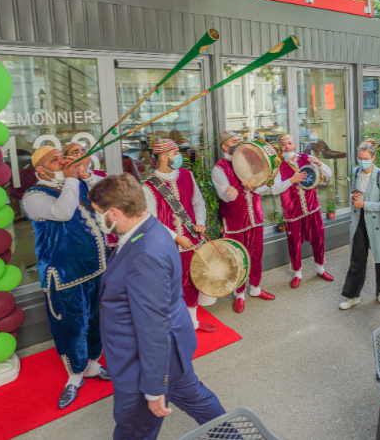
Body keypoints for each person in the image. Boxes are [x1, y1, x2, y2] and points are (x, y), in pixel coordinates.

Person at [88, 174, 226, 440]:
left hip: (143, 360)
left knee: (134, 428)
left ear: (115, 213)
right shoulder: (150, 229)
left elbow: (153, 326)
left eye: (98, 214)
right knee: (194, 396)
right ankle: (232, 436)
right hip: (169, 350)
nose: (98, 220)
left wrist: (153, 388)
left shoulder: (145, 254)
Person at [21, 146, 111, 409]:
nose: (61, 161)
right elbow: (63, 212)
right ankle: (75, 376)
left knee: (95, 320)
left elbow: (104, 201)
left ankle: (93, 365)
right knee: (71, 327)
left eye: (62, 156)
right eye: (54, 159)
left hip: (94, 268)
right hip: (64, 276)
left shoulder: (73, 184)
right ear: (40, 169)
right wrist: (72, 178)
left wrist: (83, 173)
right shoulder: (33, 195)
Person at [142, 139, 216, 333]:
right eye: (176, 153)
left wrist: (200, 222)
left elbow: (198, 202)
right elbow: (151, 220)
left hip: (192, 240)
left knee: (193, 280)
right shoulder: (148, 186)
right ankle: (172, 326)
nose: (179, 156)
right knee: (170, 285)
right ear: (164, 157)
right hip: (168, 246)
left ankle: (193, 322)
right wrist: (175, 236)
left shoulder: (187, 175)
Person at [211, 131, 275, 313]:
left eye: (239, 140)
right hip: (235, 220)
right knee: (238, 258)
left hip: (255, 216)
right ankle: (239, 294)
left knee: (256, 254)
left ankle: (255, 288)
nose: (239, 144)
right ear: (224, 146)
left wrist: (256, 186)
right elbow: (224, 195)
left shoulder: (249, 159)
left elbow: (263, 183)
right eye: (234, 141)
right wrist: (233, 190)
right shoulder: (219, 168)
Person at [272, 134, 335, 286]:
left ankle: (320, 269)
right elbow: (274, 189)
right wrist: (292, 180)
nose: (287, 146)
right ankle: (297, 273)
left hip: (312, 208)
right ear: (281, 147)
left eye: (289, 143)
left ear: (294, 145)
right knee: (294, 243)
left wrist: (319, 163)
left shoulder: (307, 159)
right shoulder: (278, 165)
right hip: (292, 212)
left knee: (318, 238)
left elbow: (328, 174)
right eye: (284, 144)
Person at [340, 140, 380, 309]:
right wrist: (355, 199)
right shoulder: (356, 172)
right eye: (360, 158)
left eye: (365, 158)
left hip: (378, 222)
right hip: (359, 220)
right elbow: (357, 195)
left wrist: (365, 205)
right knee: (357, 258)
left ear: (373, 157)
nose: (362, 161)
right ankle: (352, 295)